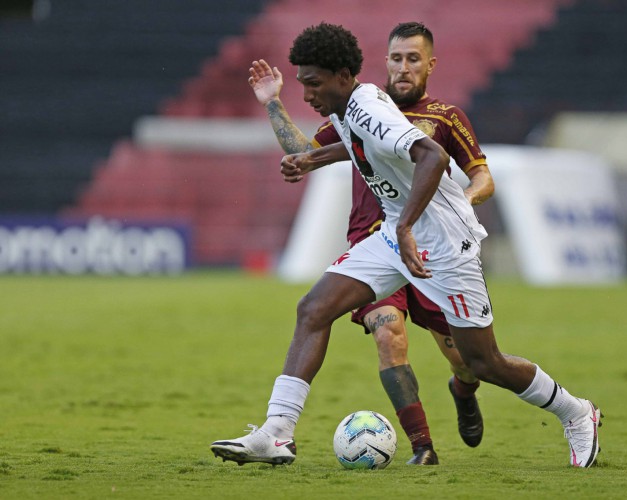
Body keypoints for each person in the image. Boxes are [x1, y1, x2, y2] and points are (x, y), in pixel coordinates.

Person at [210, 22, 602, 468]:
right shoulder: (350, 106)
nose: (307, 94)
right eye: (303, 83)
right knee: (314, 309)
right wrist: (310, 157)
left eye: (313, 83)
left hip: (446, 244)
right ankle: (277, 433)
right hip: (396, 236)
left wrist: (405, 227)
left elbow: (432, 155)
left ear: (342, 76)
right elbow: (358, 145)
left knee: (483, 362)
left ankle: (576, 412)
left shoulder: (369, 109)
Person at [238, 22, 493, 465]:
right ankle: (422, 447)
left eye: (413, 59)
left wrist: (458, 208)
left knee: (468, 360)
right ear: (385, 62)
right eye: (396, 58)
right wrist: (273, 103)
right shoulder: (357, 109)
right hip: (375, 243)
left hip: (434, 248)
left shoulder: (446, 117)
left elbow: (482, 176)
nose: (403, 67)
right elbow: (303, 150)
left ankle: (464, 389)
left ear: (430, 64)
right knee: (386, 334)